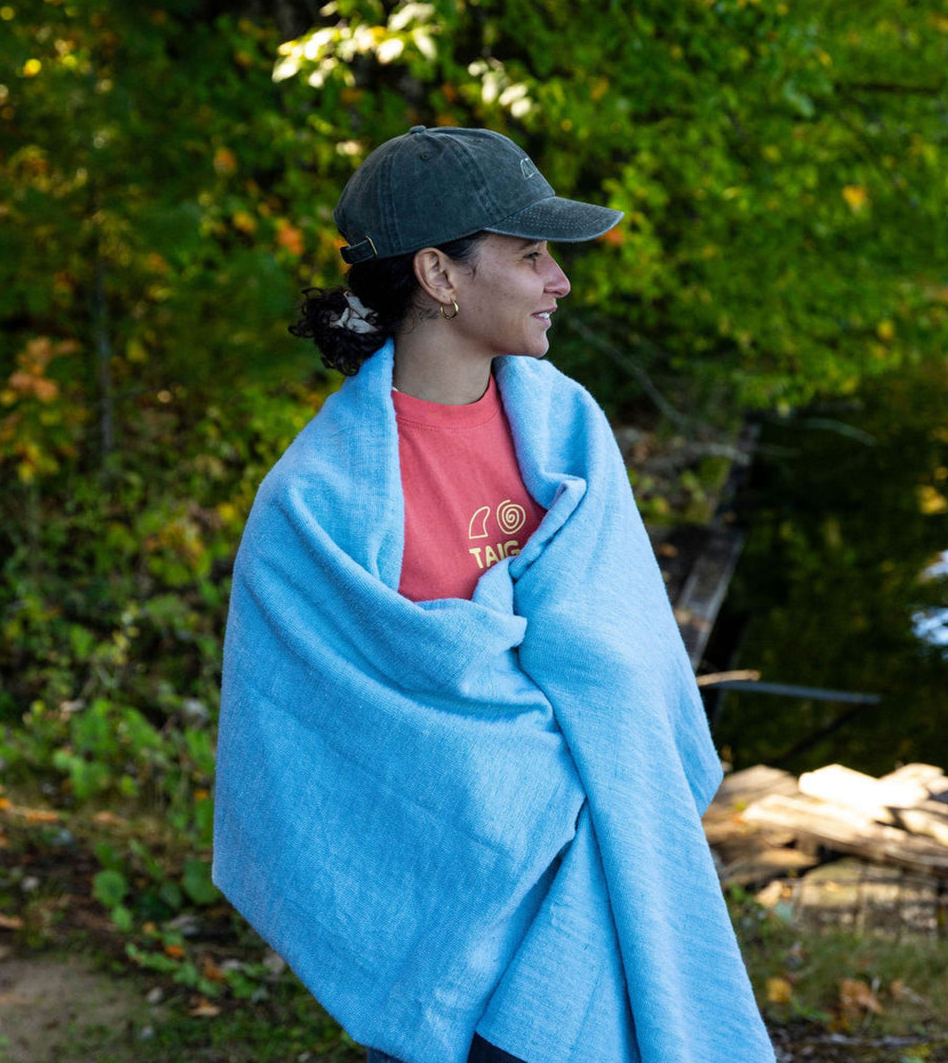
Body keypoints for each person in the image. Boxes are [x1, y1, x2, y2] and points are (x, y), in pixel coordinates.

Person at [212, 126, 775, 1063]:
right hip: (443, 913)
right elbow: (325, 748)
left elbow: (621, 648)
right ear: (440, 274)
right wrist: (538, 776)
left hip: (604, 872)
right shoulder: (315, 506)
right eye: (532, 255)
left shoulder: (566, 433)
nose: (559, 281)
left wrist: (580, 761)